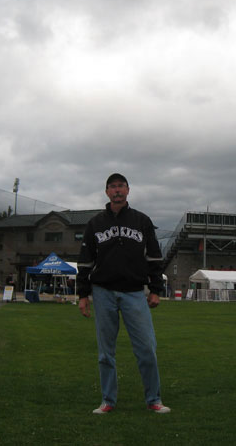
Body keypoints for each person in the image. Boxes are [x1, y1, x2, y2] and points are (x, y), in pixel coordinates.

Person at [77, 173, 170, 415]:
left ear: (128, 190)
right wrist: (83, 295)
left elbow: (154, 258)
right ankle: (108, 400)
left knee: (147, 348)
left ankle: (154, 399)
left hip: (134, 293)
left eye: (121, 186)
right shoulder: (95, 223)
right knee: (105, 352)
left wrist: (156, 290)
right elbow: (85, 262)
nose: (117, 190)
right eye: (113, 187)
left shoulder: (142, 221)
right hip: (103, 292)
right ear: (106, 192)